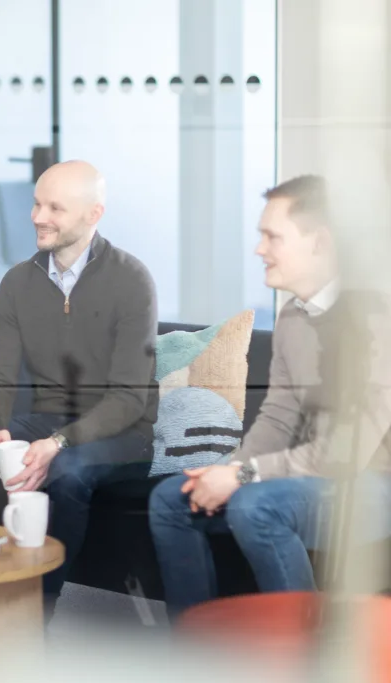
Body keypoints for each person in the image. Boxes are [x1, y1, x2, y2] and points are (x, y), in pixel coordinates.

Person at [0, 160, 159, 607]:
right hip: (46, 421)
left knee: (67, 471)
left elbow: (129, 398)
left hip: (125, 434)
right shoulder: (18, 282)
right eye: (36, 203)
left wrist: (59, 443)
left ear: (93, 214)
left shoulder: (131, 280)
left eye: (55, 208)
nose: (37, 217)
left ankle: (32, 609)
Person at [149, 175, 391, 615]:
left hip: (374, 482)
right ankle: (196, 649)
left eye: (271, 237)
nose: (259, 249)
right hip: (311, 471)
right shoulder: (294, 317)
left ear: (320, 242)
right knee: (171, 498)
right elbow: (279, 417)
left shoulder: (374, 318)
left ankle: (302, 656)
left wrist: (243, 477)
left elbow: (346, 453)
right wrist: (229, 468)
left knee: (255, 507)